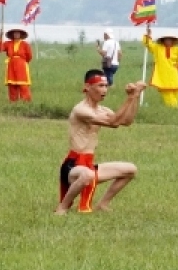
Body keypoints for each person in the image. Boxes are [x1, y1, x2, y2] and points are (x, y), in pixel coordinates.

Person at [56, 72, 145, 214]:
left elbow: (126, 121)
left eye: (106, 86)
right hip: (72, 166)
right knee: (87, 175)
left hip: (89, 165)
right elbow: (114, 122)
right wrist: (131, 97)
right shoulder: (81, 110)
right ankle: (62, 207)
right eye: (100, 85)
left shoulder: (103, 110)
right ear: (87, 87)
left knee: (130, 169)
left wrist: (135, 96)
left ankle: (102, 204)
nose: (104, 90)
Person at [142, 28, 178, 108]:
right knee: (167, 93)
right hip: (162, 75)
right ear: (163, 40)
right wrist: (148, 35)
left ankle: (174, 109)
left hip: (173, 74)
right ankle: (174, 109)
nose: (168, 41)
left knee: (175, 92)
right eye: (166, 39)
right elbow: (148, 44)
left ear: (173, 40)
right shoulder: (157, 48)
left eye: (170, 40)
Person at [0, 25, 34, 102]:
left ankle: (25, 102)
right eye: (15, 33)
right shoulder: (8, 44)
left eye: (18, 33)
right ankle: (13, 103)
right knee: (12, 85)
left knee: (23, 85)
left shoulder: (25, 44)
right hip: (11, 66)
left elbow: (29, 56)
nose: (16, 35)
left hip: (21, 66)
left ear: (20, 34)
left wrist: (22, 62)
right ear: (12, 35)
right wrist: (0, 36)